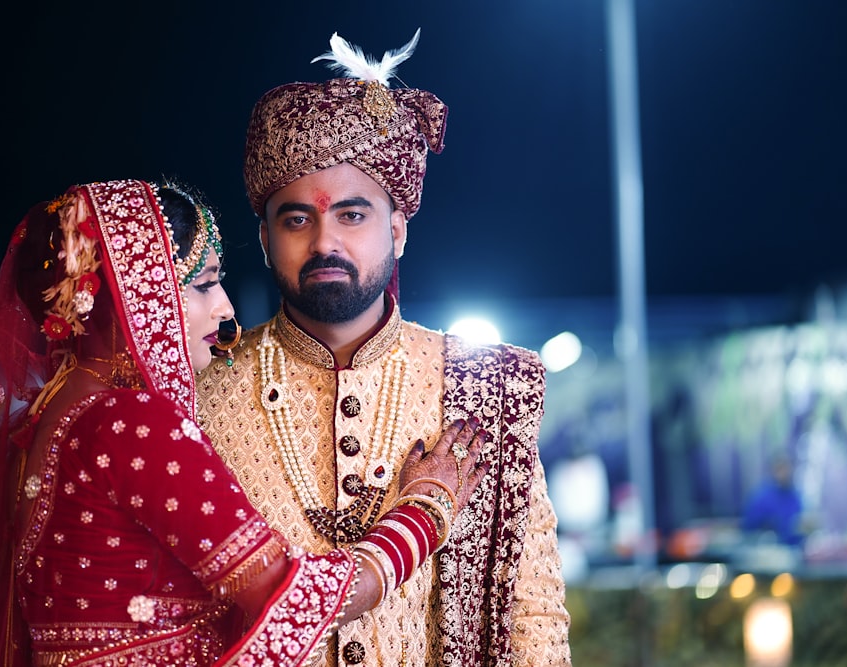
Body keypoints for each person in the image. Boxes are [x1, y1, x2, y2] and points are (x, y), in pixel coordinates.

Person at [0, 178, 490, 666]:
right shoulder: (131, 422)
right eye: (203, 284)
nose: (226, 308)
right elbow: (291, 596)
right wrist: (422, 515)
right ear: (139, 295)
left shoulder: (50, 411)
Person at [197, 31, 572, 666]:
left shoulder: (485, 387)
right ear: (263, 239)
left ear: (397, 228)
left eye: (353, 215)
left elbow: (530, 608)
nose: (324, 242)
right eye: (297, 219)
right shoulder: (203, 389)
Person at [740, 454, 804, 546]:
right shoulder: (761, 497)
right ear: (773, 471)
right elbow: (748, 527)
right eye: (780, 469)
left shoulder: (796, 497)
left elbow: (799, 528)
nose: (784, 473)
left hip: (792, 550)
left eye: (787, 468)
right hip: (767, 550)